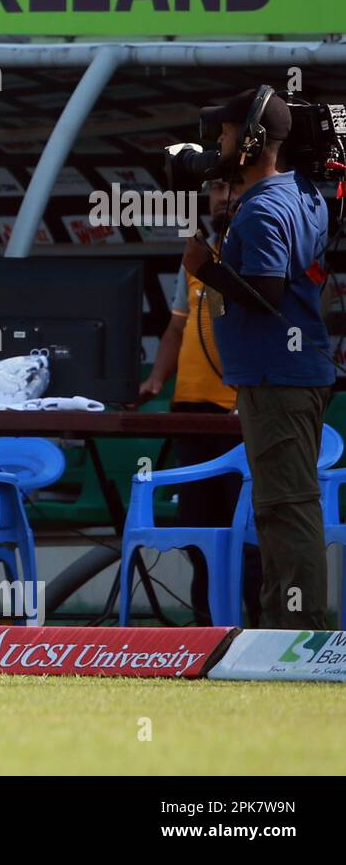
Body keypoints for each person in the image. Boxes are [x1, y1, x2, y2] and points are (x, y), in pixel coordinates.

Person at [183, 88, 335, 630]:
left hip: (278, 378)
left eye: (224, 134)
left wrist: (205, 267)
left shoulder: (263, 210)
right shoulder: (301, 192)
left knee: (285, 508)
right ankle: (283, 623)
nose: (216, 144)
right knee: (281, 506)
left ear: (250, 142)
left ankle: (301, 634)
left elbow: (268, 291)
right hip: (291, 374)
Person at [140, 180, 258, 625]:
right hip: (191, 411)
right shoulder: (194, 258)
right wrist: (154, 381)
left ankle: (259, 628)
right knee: (196, 528)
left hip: (239, 411)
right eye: (217, 190)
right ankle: (207, 627)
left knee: (246, 531)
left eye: (234, 188)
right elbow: (176, 327)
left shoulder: (261, 247)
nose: (224, 197)